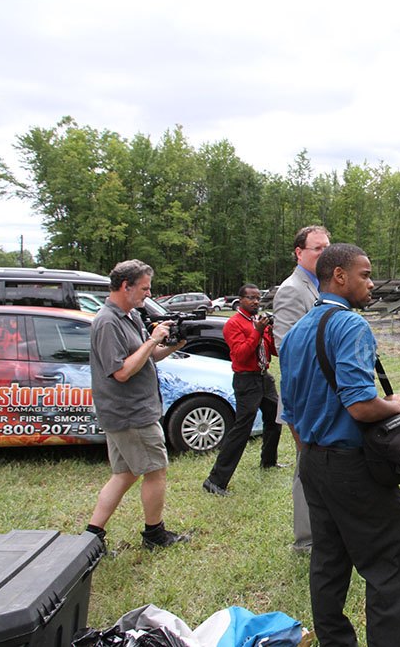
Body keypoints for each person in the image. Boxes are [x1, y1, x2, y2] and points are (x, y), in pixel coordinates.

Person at [279, 243, 400, 646]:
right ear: (339, 276)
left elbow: (290, 408)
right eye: (365, 274)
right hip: (352, 467)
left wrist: (308, 454)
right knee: (388, 561)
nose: (371, 283)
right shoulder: (350, 325)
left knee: (328, 560)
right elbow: (358, 404)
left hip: (313, 463)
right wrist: (393, 405)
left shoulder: (295, 332)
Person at [85, 259, 191, 550]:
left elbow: (150, 357)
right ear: (125, 286)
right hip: (131, 413)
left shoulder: (128, 315)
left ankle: (91, 536)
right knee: (155, 471)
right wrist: (151, 340)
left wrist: (173, 343)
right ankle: (154, 535)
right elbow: (120, 371)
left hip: (129, 411)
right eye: (144, 288)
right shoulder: (107, 322)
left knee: (124, 474)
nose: (148, 293)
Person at [273, 225, 331, 552]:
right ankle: (307, 539)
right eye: (317, 249)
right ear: (299, 252)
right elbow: (286, 347)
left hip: (322, 394)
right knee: (306, 466)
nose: (324, 253)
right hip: (305, 396)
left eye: (327, 247)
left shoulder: (319, 286)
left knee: (321, 464)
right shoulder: (293, 289)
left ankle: (322, 530)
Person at [202, 283, 281, 497]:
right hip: (246, 381)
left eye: (258, 298)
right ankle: (215, 480)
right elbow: (240, 355)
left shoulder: (258, 321)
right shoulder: (233, 324)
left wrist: (270, 333)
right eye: (251, 298)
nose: (256, 302)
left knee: (275, 419)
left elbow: (272, 351)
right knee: (241, 430)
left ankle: (268, 461)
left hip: (264, 378)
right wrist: (256, 332)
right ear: (240, 300)